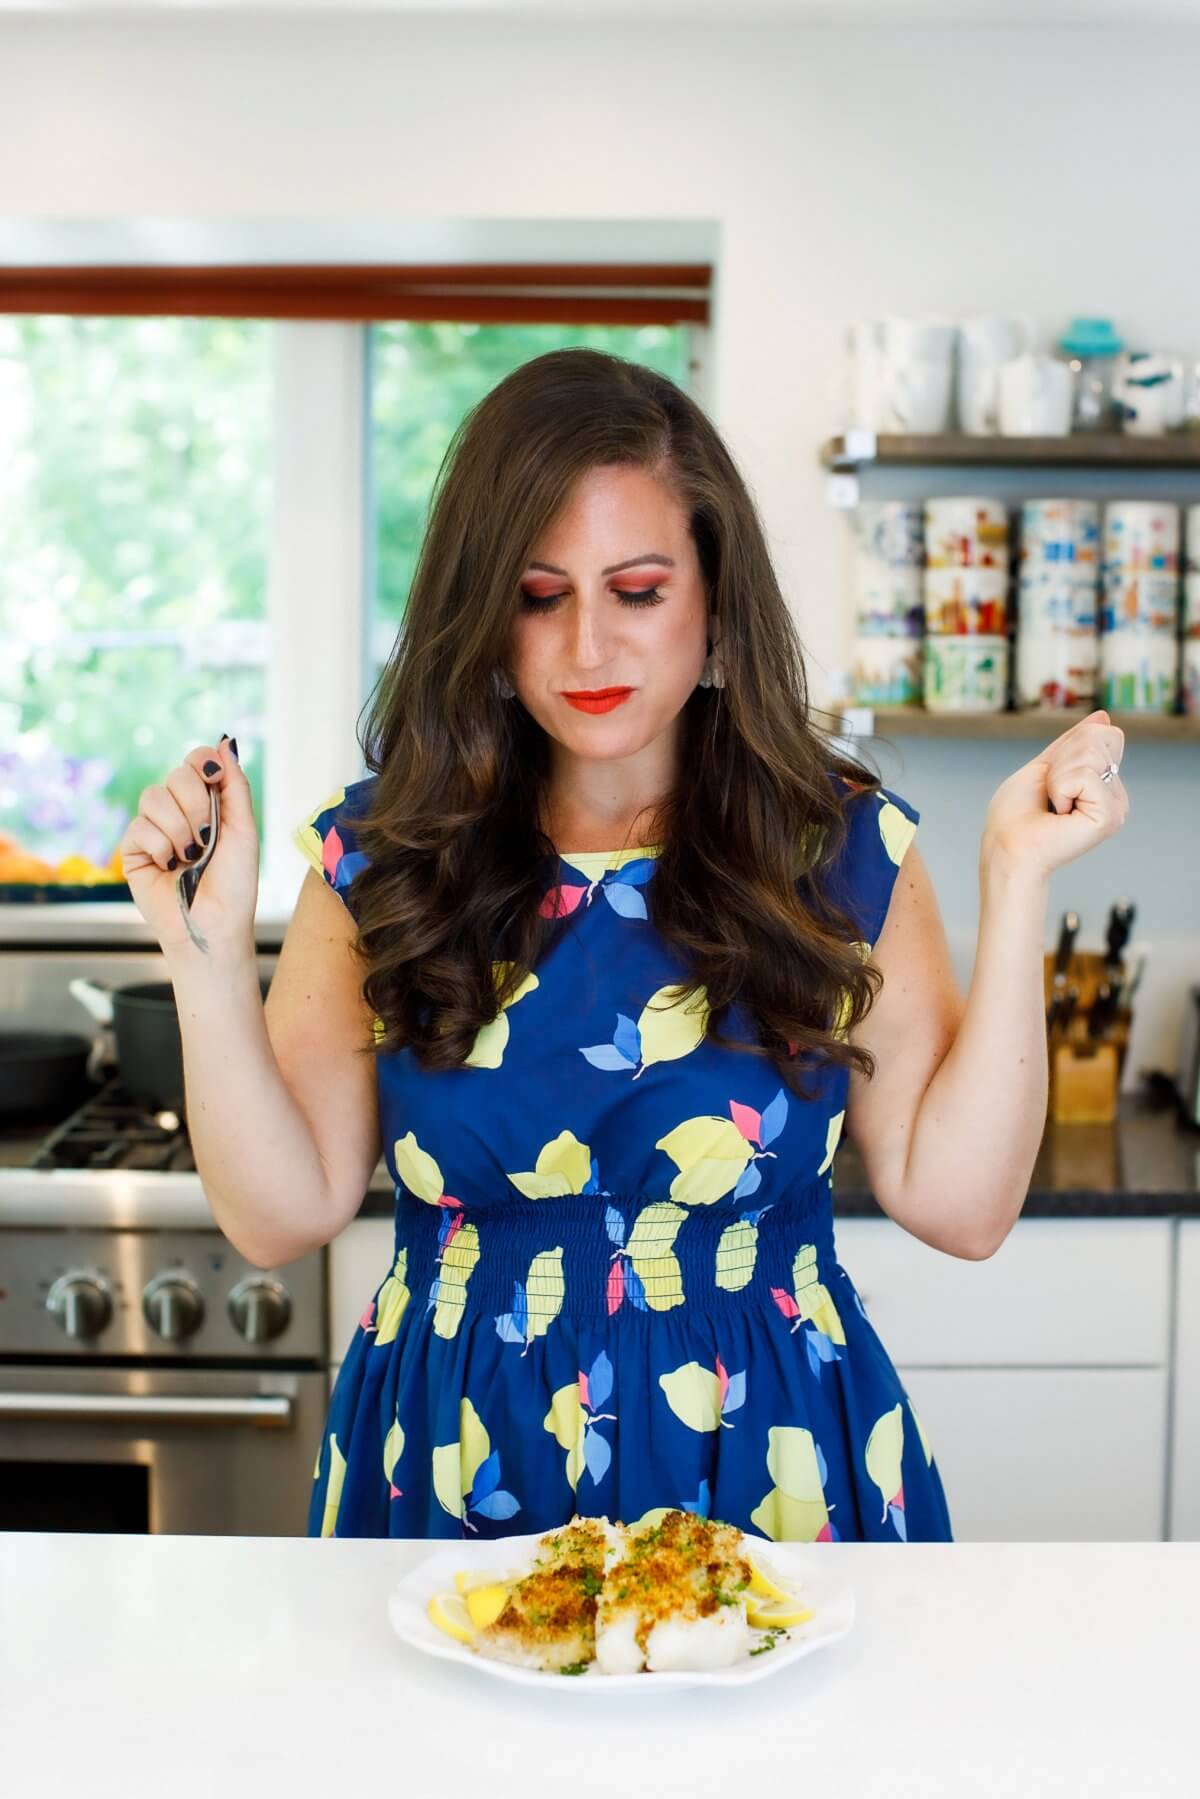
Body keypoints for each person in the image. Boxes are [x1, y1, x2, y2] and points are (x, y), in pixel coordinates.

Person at [121, 349, 1129, 1543]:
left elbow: (961, 1207)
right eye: (540, 596)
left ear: (715, 599)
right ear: (484, 616)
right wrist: (201, 951)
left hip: (769, 1466)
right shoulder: (381, 860)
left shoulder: (841, 853)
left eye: (638, 590)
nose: (588, 646)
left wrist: (1017, 877)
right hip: (452, 1470)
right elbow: (279, 1215)